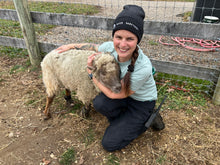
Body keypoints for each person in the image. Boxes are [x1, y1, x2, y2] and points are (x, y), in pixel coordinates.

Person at [56, 5, 165, 152]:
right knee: (99, 103)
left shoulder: (142, 67)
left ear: (138, 40)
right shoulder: (111, 47)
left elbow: (115, 94)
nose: (122, 44)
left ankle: (147, 119)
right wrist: (70, 46)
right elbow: (93, 47)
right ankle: (124, 122)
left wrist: (91, 72)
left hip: (141, 102)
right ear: (113, 36)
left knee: (109, 144)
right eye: (118, 37)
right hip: (124, 94)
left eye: (130, 39)